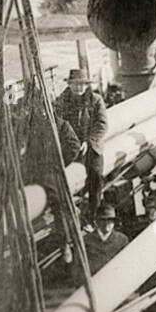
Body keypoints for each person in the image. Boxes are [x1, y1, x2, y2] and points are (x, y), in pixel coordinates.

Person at [56, 68, 108, 217]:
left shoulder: (96, 100)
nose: (79, 88)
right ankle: (66, 212)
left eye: (82, 84)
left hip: (91, 148)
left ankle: (94, 213)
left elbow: (102, 125)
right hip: (70, 147)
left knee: (96, 175)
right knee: (62, 177)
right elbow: (57, 124)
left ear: (86, 85)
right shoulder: (61, 101)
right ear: (70, 84)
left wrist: (88, 141)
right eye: (75, 84)